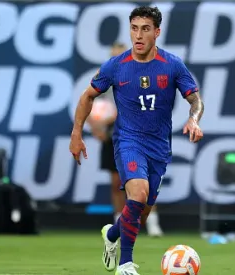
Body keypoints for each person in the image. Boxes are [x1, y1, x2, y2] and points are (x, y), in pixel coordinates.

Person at [69, 6, 204, 275]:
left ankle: (112, 236)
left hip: (159, 147)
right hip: (128, 141)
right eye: (134, 28)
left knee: (140, 213)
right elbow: (87, 96)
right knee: (138, 194)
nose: (138, 35)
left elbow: (195, 99)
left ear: (157, 32)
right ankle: (125, 264)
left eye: (145, 29)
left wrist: (194, 119)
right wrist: (77, 133)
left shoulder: (173, 65)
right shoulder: (116, 65)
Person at [89, 42, 164, 238]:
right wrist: (94, 127)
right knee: (116, 183)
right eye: (113, 56)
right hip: (112, 138)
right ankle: (118, 223)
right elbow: (90, 102)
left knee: (144, 183)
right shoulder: (104, 78)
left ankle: (152, 224)